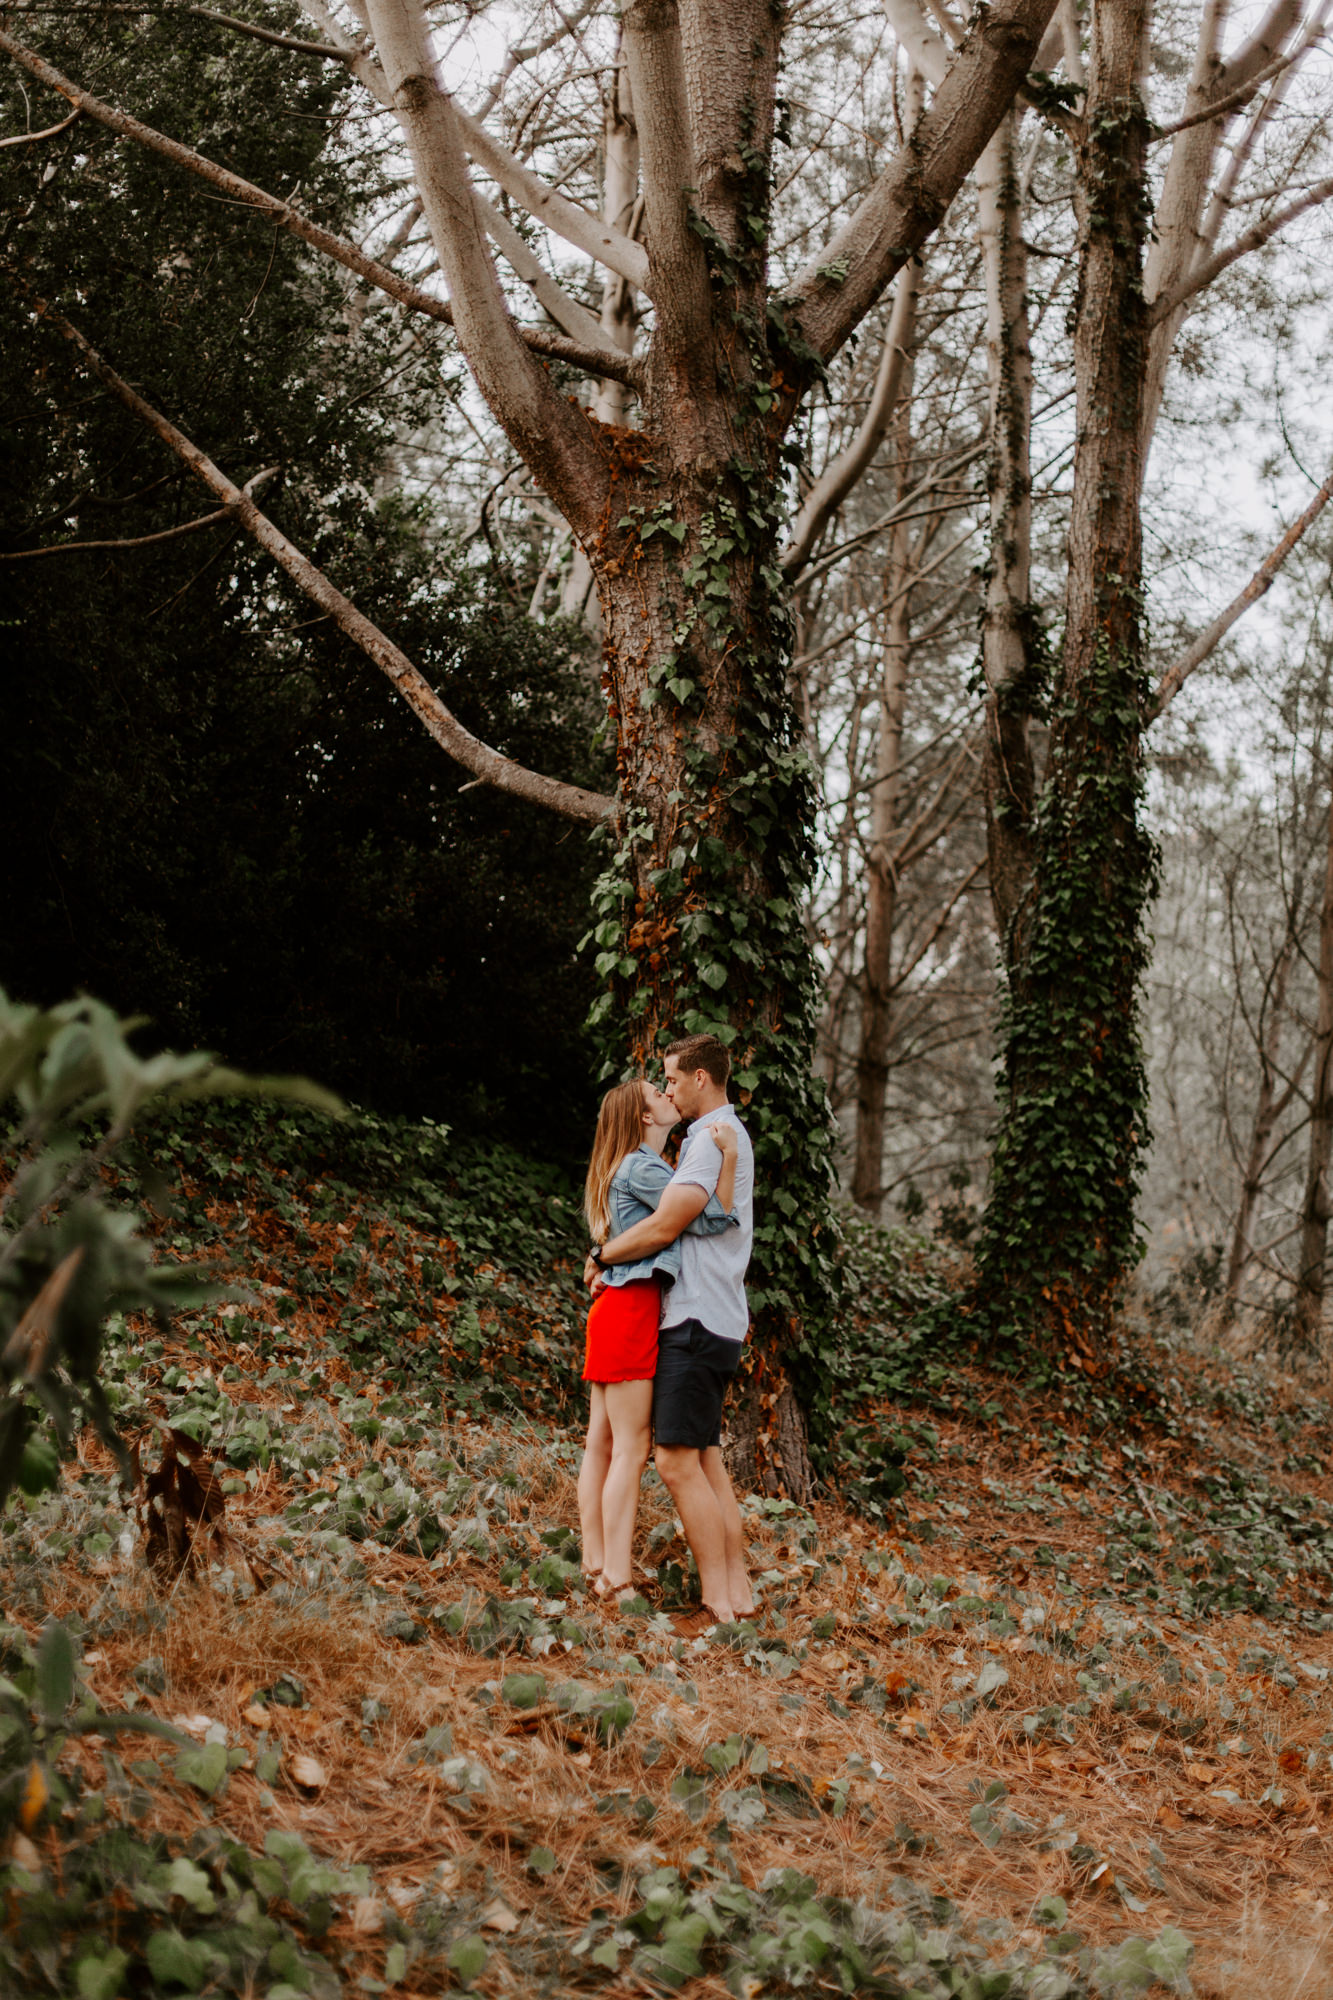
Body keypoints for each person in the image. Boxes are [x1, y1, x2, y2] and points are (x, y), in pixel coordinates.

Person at [585, 1033, 754, 1632]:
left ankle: (718, 1602)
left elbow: (665, 1226)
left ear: (700, 1079)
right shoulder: (707, 1143)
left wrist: (603, 1257)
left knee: (677, 1461)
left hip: (695, 1318)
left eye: (673, 1079)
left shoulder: (706, 1146)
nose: (669, 1089)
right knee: (704, 1460)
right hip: (711, 1318)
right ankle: (735, 1591)